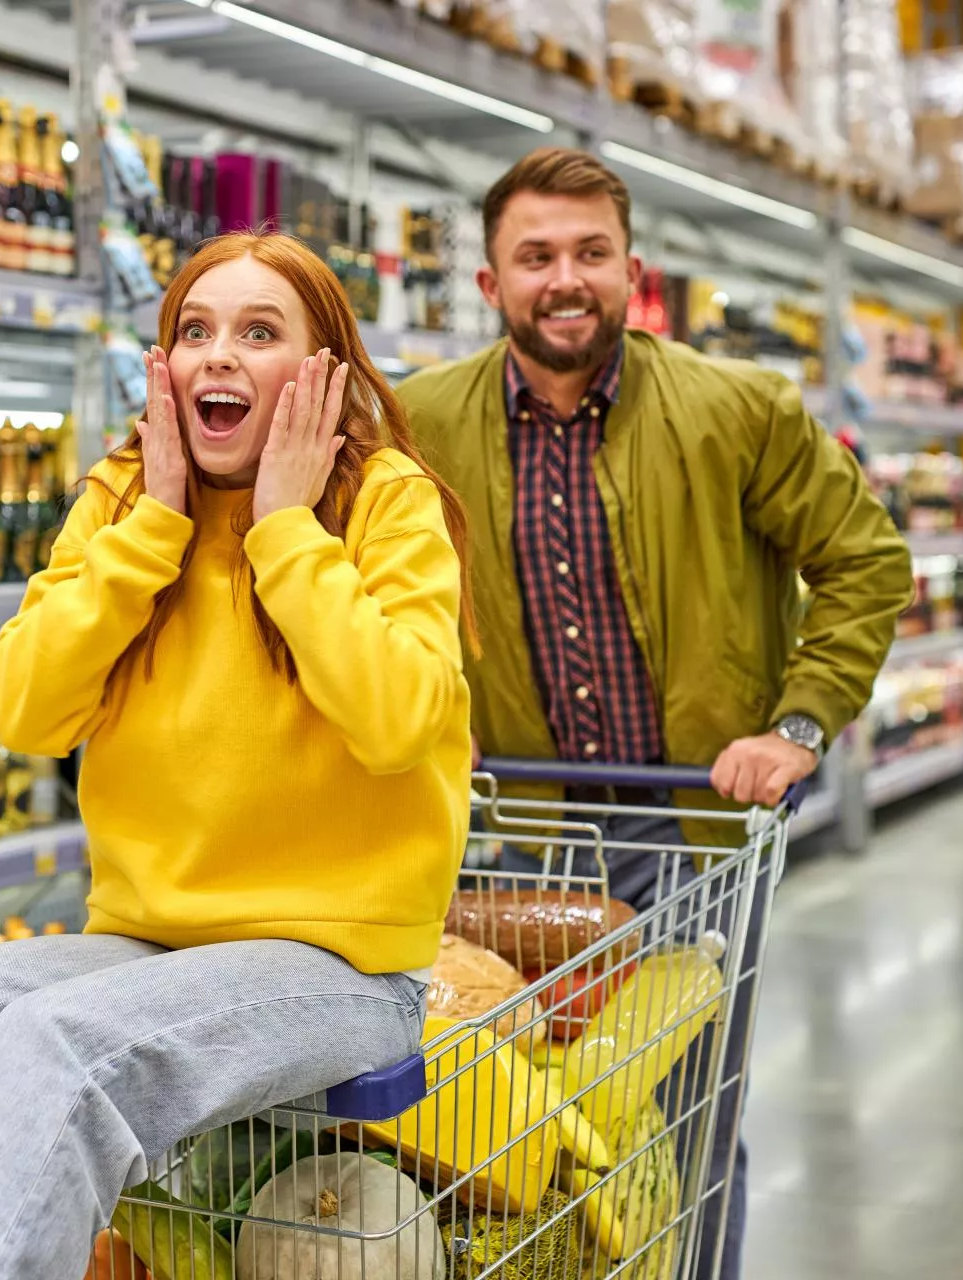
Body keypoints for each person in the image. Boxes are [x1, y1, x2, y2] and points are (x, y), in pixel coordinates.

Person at [0, 231, 475, 1280]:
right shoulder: (125, 502)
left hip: (343, 965)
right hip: (155, 946)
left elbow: (401, 719)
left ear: (323, 372)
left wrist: (284, 531)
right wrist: (155, 528)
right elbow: (24, 711)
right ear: (161, 366)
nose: (218, 354)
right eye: (194, 331)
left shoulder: (383, 499)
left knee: (59, 1043)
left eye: (260, 332)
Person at [398, 148, 911, 1279]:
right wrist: (428, 700)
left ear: (634, 273)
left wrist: (800, 724)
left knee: (671, 1125)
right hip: (515, 835)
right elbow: (377, 590)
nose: (565, 278)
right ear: (488, 285)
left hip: (687, 833)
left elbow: (866, 562)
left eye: (591, 253)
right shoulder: (420, 423)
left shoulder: (737, 410)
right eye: (536, 256)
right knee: (510, 1128)